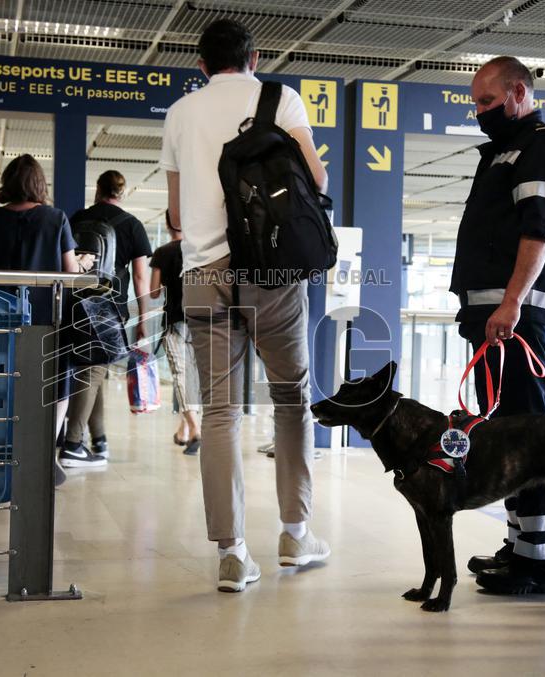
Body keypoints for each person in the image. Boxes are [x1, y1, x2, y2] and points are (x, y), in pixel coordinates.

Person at [160, 18, 331, 593]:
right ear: (254, 58)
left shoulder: (180, 113)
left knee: (219, 413)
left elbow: (176, 215)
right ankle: (295, 533)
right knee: (291, 399)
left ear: (201, 65)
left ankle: (232, 555)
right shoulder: (281, 99)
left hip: (203, 274)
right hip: (272, 271)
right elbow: (315, 177)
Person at [450, 56, 545, 595]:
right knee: (505, 439)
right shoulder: (507, 151)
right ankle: (520, 545)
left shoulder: (542, 149)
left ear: (519, 92)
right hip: (495, 319)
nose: (480, 112)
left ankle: (542, 563)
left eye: (487, 101)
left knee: (527, 440)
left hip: (516, 320)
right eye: (476, 103)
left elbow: (539, 234)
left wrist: (511, 304)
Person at [0, 154, 80, 488]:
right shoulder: (56, 219)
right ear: (39, 184)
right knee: (57, 387)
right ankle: (44, 452)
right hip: (46, 322)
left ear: (7, 183)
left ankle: (3, 451)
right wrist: (84, 265)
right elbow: (70, 273)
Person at [60, 170, 152, 468]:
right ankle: (72, 444)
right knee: (93, 370)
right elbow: (140, 277)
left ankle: (98, 440)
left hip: (74, 303)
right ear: (122, 194)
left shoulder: (77, 219)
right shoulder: (133, 225)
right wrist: (143, 317)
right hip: (108, 307)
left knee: (91, 368)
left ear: (98, 190)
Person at [150, 210, 201, 455]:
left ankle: (196, 429)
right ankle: (184, 430)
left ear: (168, 225)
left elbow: (153, 292)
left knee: (181, 376)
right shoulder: (198, 250)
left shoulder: (162, 253)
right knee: (193, 378)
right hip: (200, 322)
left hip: (175, 322)